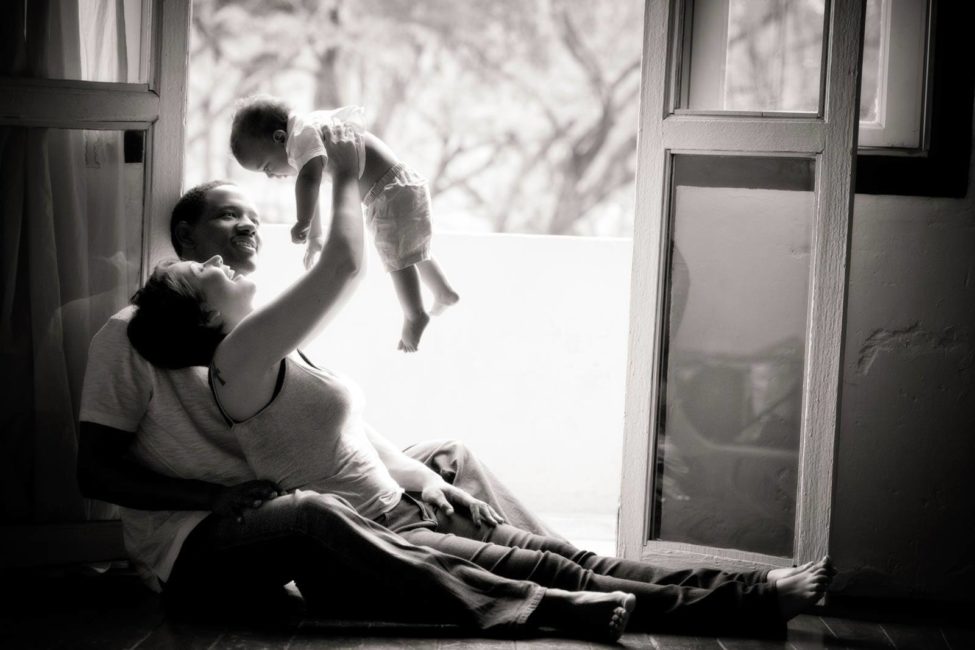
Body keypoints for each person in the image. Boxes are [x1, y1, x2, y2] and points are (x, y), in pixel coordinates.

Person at [127, 174, 835, 635]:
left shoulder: (262, 350)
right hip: (386, 530)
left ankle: (750, 595)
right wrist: (340, 166)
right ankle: (751, 602)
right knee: (560, 573)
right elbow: (342, 265)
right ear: (205, 320)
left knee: (562, 556)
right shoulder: (237, 360)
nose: (220, 264)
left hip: (399, 505)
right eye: (203, 269)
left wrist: (426, 479)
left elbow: (345, 435)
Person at [76, 177, 568, 627]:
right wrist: (211, 498)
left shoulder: (253, 325)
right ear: (185, 236)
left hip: (289, 496)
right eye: (227, 214)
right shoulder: (128, 335)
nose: (247, 224)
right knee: (309, 511)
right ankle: (521, 599)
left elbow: (336, 429)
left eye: (252, 215)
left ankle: (565, 565)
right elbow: (95, 472)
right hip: (202, 539)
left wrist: (420, 477)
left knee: (447, 458)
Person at [229, 94, 458, 352]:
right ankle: (443, 291)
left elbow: (308, 183)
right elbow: (310, 184)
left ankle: (415, 314)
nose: (271, 176)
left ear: (279, 138)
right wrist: (315, 238)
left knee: (397, 260)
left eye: (266, 166)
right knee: (412, 249)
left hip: (388, 192)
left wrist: (302, 220)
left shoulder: (301, 138)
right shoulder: (307, 134)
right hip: (399, 186)